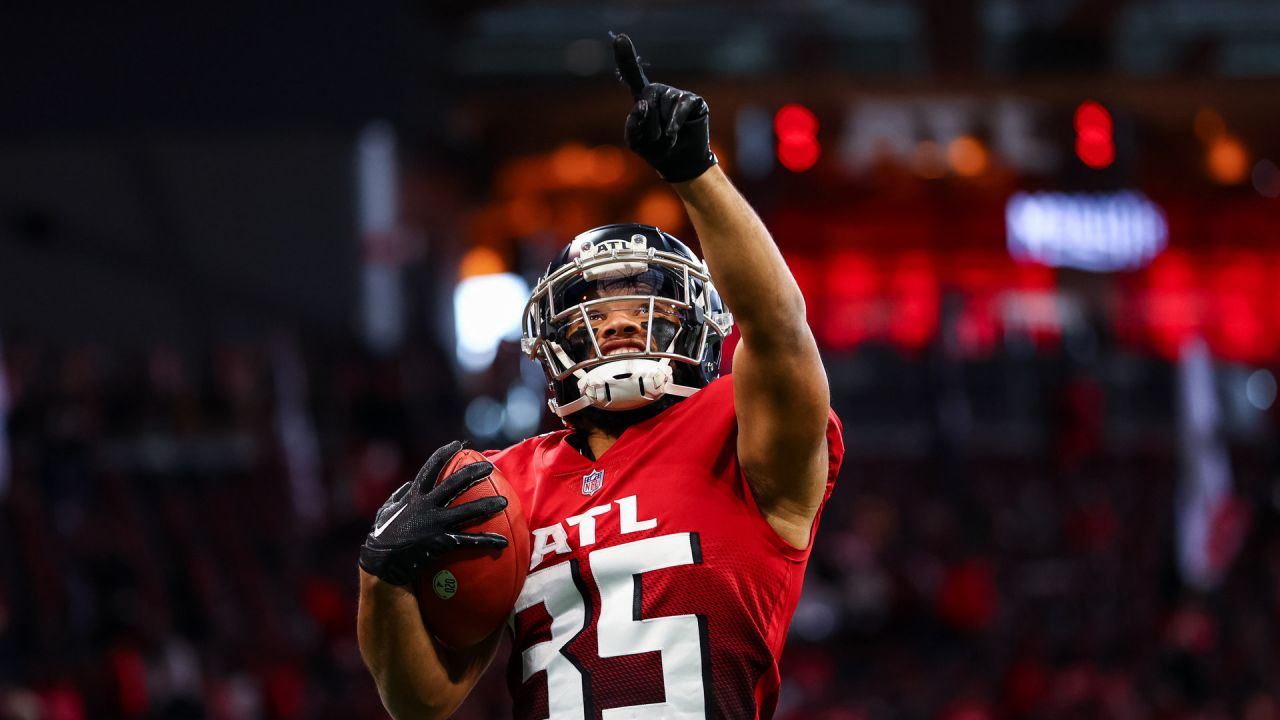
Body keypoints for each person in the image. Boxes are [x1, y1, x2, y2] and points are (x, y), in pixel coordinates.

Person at [356, 33, 844, 720]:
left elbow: (779, 327)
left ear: (696, 324)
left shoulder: (736, 433)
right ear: (550, 338)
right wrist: (380, 578)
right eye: (592, 315)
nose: (617, 327)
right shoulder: (507, 486)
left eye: (642, 310)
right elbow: (421, 704)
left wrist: (695, 172)